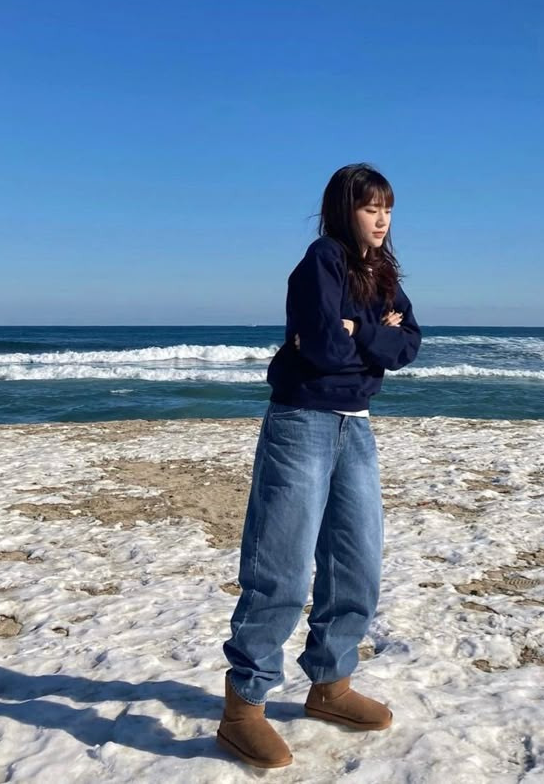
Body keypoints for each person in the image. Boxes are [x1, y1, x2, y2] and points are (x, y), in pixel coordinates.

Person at [217, 163, 422, 768]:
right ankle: (243, 709)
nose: (381, 219)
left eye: (387, 208)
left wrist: (363, 331)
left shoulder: (383, 272)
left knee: (357, 562)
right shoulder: (322, 261)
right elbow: (327, 348)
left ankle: (330, 685)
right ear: (344, 210)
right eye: (369, 208)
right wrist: (371, 335)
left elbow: (409, 344)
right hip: (302, 420)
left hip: (356, 424)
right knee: (280, 566)